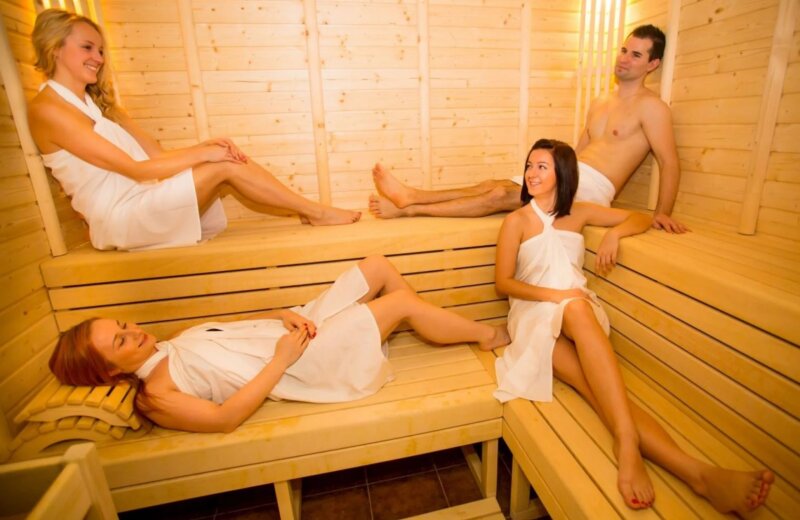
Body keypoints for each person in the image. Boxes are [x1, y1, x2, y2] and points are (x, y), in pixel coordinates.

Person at [493, 138, 772, 514]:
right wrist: (556, 295)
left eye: (542, 166)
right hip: (534, 315)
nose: (531, 173)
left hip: (578, 314)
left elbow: (640, 218)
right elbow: (504, 283)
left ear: (563, 173)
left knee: (581, 324)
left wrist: (615, 234)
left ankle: (678, 465)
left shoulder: (579, 213)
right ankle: (687, 469)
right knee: (596, 381)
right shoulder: (517, 221)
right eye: (529, 165)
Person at [50, 255, 511, 433]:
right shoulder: (158, 395)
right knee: (401, 303)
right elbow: (224, 419)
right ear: (109, 371)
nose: (134, 331)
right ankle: (486, 335)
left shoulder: (168, 345)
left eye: (124, 325)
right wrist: (281, 359)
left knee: (377, 267)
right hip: (299, 365)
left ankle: (416, 325)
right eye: (121, 340)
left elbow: (236, 330)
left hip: (295, 333)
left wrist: (281, 314)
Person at [28, 9, 360, 251]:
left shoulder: (100, 106)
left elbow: (156, 156)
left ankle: (313, 211)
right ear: (55, 48)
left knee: (222, 159)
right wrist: (206, 156)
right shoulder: (49, 110)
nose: (98, 58)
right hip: (120, 218)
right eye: (87, 47)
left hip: (141, 201)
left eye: (100, 50)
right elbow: (134, 169)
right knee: (223, 165)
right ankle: (315, 212)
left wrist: (206, 147)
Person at [369, 24, 687, 234]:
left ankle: (411, 209)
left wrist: (662, 213)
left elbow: (669, 162)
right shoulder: (600, 101)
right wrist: (551, 170)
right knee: (491, 184)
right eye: (624, 50)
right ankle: (411, 196)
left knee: (498, 195)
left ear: (652, 64)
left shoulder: (652, 107)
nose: (625, 59)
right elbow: (575, 153)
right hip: (570, 174)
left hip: (592, 191)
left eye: (636, 55)